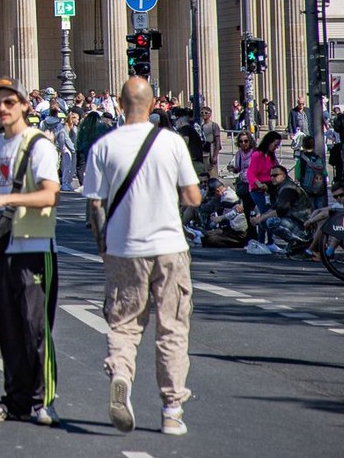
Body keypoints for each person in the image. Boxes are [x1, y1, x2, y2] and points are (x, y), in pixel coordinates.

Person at [83, 77, 201, 438]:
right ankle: (171, 411)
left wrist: (104, 248)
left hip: (123, 249)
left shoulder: (104, 146)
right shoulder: (171, 143)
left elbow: (94, 206)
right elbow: (193, 197)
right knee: (172, 328)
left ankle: (121, 374)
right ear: (153, 105)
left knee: (123, 324)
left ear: (119, 104)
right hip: (168, 246)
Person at [0, 78, 62, 426]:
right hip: (0, 249)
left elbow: (50, 195)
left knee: (35, 329)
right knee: (7, 328)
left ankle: (44, 401)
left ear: (25, 105)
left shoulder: (38, 145)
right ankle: (14, 400)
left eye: (10, 102)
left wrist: (5, 199)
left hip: (34, 247)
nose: (3, 109)